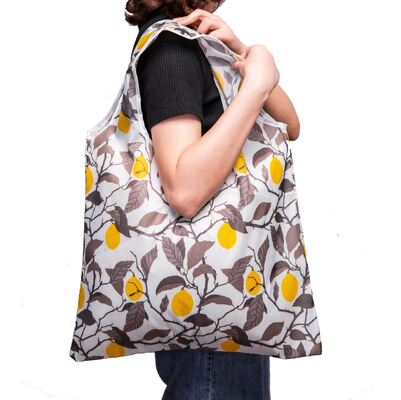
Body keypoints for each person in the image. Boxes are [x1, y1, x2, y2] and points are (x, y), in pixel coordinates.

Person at [125, 1, 300, 399]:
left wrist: (242, 53)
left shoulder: (195, 43)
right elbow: (184, 191)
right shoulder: (171, 49)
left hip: (229, 287)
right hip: (210, 293)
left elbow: (289, 126)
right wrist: (255, 85)